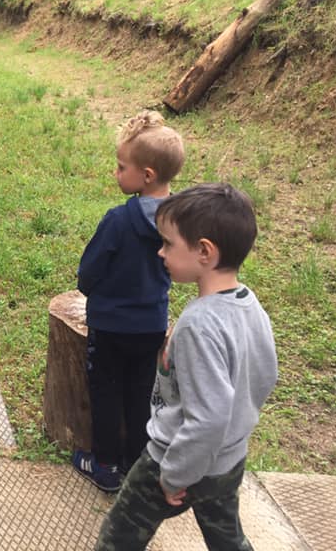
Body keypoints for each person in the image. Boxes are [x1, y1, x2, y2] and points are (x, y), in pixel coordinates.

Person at [94, 183, 278, 550]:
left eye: (168, 243)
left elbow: (208, 418)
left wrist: (174, 475)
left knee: (119, 536)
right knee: (227, 538)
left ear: (204, 251)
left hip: (172, 460)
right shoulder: (249, 305)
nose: (160, 252)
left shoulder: (198, 325)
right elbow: (265, 375)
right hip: (228, 461)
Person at [74, 110, 185, 492]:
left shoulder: (118, 221)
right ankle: (135, 463)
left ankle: (103, 465)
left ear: (147, 175)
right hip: (151, 327)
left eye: (122, 167)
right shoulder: (182, 221)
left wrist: (88, 289)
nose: (116, 173)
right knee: (140, 396)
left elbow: (89, 271)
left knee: (105, 392)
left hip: (109, 328)